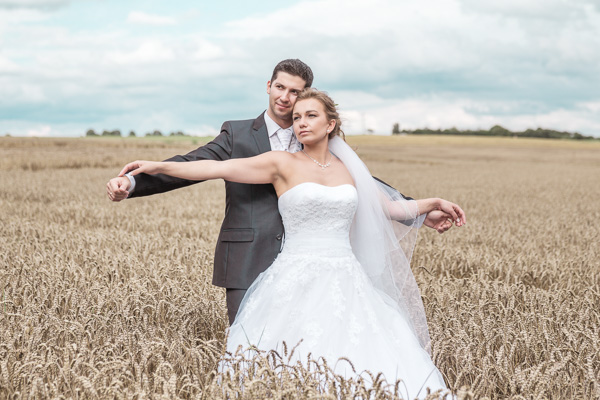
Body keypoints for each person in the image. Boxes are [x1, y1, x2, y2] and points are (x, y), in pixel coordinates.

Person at [117, 88, 465, 398]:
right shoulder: (280, 163)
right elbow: (213, 168)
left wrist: (430, 204)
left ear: (331, 124)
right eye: (296, 117)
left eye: (311, 116)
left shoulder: (350, 169)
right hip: (293, 275)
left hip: (346, 277)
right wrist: (156, 166)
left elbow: (387, 207)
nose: (301, 122)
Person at [106, 59, 463, 325]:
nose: (286, 98)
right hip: (250, 255)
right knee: (250, 348)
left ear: (307, 98)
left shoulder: (318, 137)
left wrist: (420, 211)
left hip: (325, 267)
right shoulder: (238, 134)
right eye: (280, 88)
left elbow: (364, 187)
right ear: (269, 86)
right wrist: (138, 176)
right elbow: (198, 165)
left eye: (295, 92)